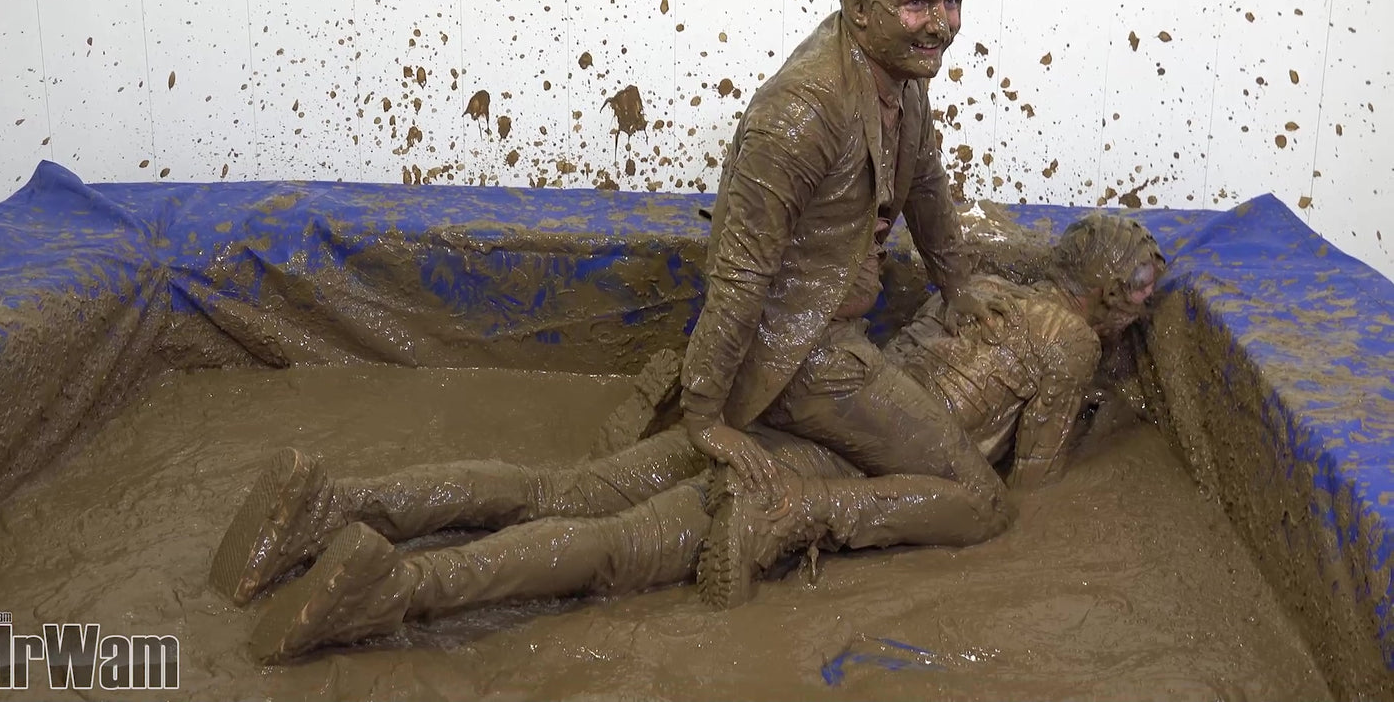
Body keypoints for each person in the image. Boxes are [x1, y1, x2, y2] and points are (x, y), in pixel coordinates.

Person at [212, 213, 1166, 664]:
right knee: (620, 546)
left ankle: (342, 503)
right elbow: (1034, 481)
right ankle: (400, 587)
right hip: (839, 459)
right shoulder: (1069, 340)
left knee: (565, 489)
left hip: (795, 404)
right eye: (1139, 299)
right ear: (1107, 298)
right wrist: (1088, 404)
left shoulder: (985, 290)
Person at [675, 0, 1005, 590]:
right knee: (981, 502)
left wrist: (959, 283)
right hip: (803, 353)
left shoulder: (901, 73)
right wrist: (705, 416)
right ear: (858, 10)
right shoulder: (800, 113)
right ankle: (792, 513)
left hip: (830, 331)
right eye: (919, 3)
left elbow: (925, 182)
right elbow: (739, 275)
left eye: (952, 1)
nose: (941, 23)